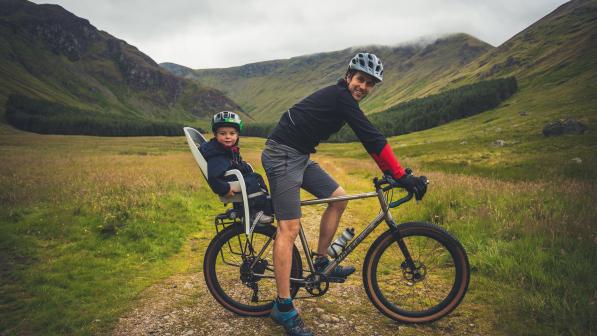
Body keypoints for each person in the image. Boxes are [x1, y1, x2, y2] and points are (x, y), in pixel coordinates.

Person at [261, 53, 428, 335]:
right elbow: (370, 136)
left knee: (339, 198)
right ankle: (283, 306)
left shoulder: (343, 99)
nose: (363, 86)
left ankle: (322, 260)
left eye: (369, 83)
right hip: (282, 155)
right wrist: (400, 175)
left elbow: (369, 138)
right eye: (360, 79)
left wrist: (395, 172)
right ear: (349, 76)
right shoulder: (341, 97)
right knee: (288, 228)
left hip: (299, 155)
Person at [200, 111, 273, 223]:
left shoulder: (226, 150)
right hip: (229, 182)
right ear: (215, 135)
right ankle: (255, 212)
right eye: (223, 133)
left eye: (232, 133)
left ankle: (266, 206)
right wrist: (225, 189)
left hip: (232, 177)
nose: (228, 137)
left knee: (256, 177)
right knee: (252, 181)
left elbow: (234, 163)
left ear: (237, 135)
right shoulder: (218, 154)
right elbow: (214, 176)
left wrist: (244, 167)